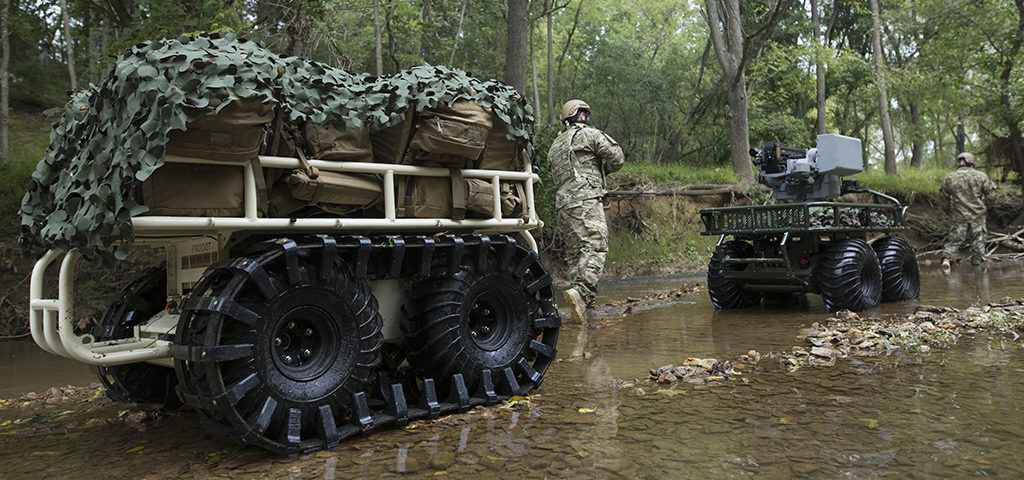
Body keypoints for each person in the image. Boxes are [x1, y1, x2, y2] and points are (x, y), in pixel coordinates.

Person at [547, 99, 624, 324]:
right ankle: (582, 293)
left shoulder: (555, 145)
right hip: (585, 199)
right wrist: (604, 169)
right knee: (596, 245)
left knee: (576, 253)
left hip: (563, 204)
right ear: (580, 115)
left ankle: (584, 308)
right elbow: (617, 159)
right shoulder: (589, 134)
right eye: (585, 114)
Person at [940, 152, 996, 272]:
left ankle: (947, 260)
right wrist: (986, 207)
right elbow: (991, 196)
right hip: (978, 217)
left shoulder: (950, 177)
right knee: (978, 245)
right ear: (972, 162)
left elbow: (944, 198)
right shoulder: (981, 176)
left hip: (959, 216)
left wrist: (948, 212)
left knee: (954, 242)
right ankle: (979, 273)